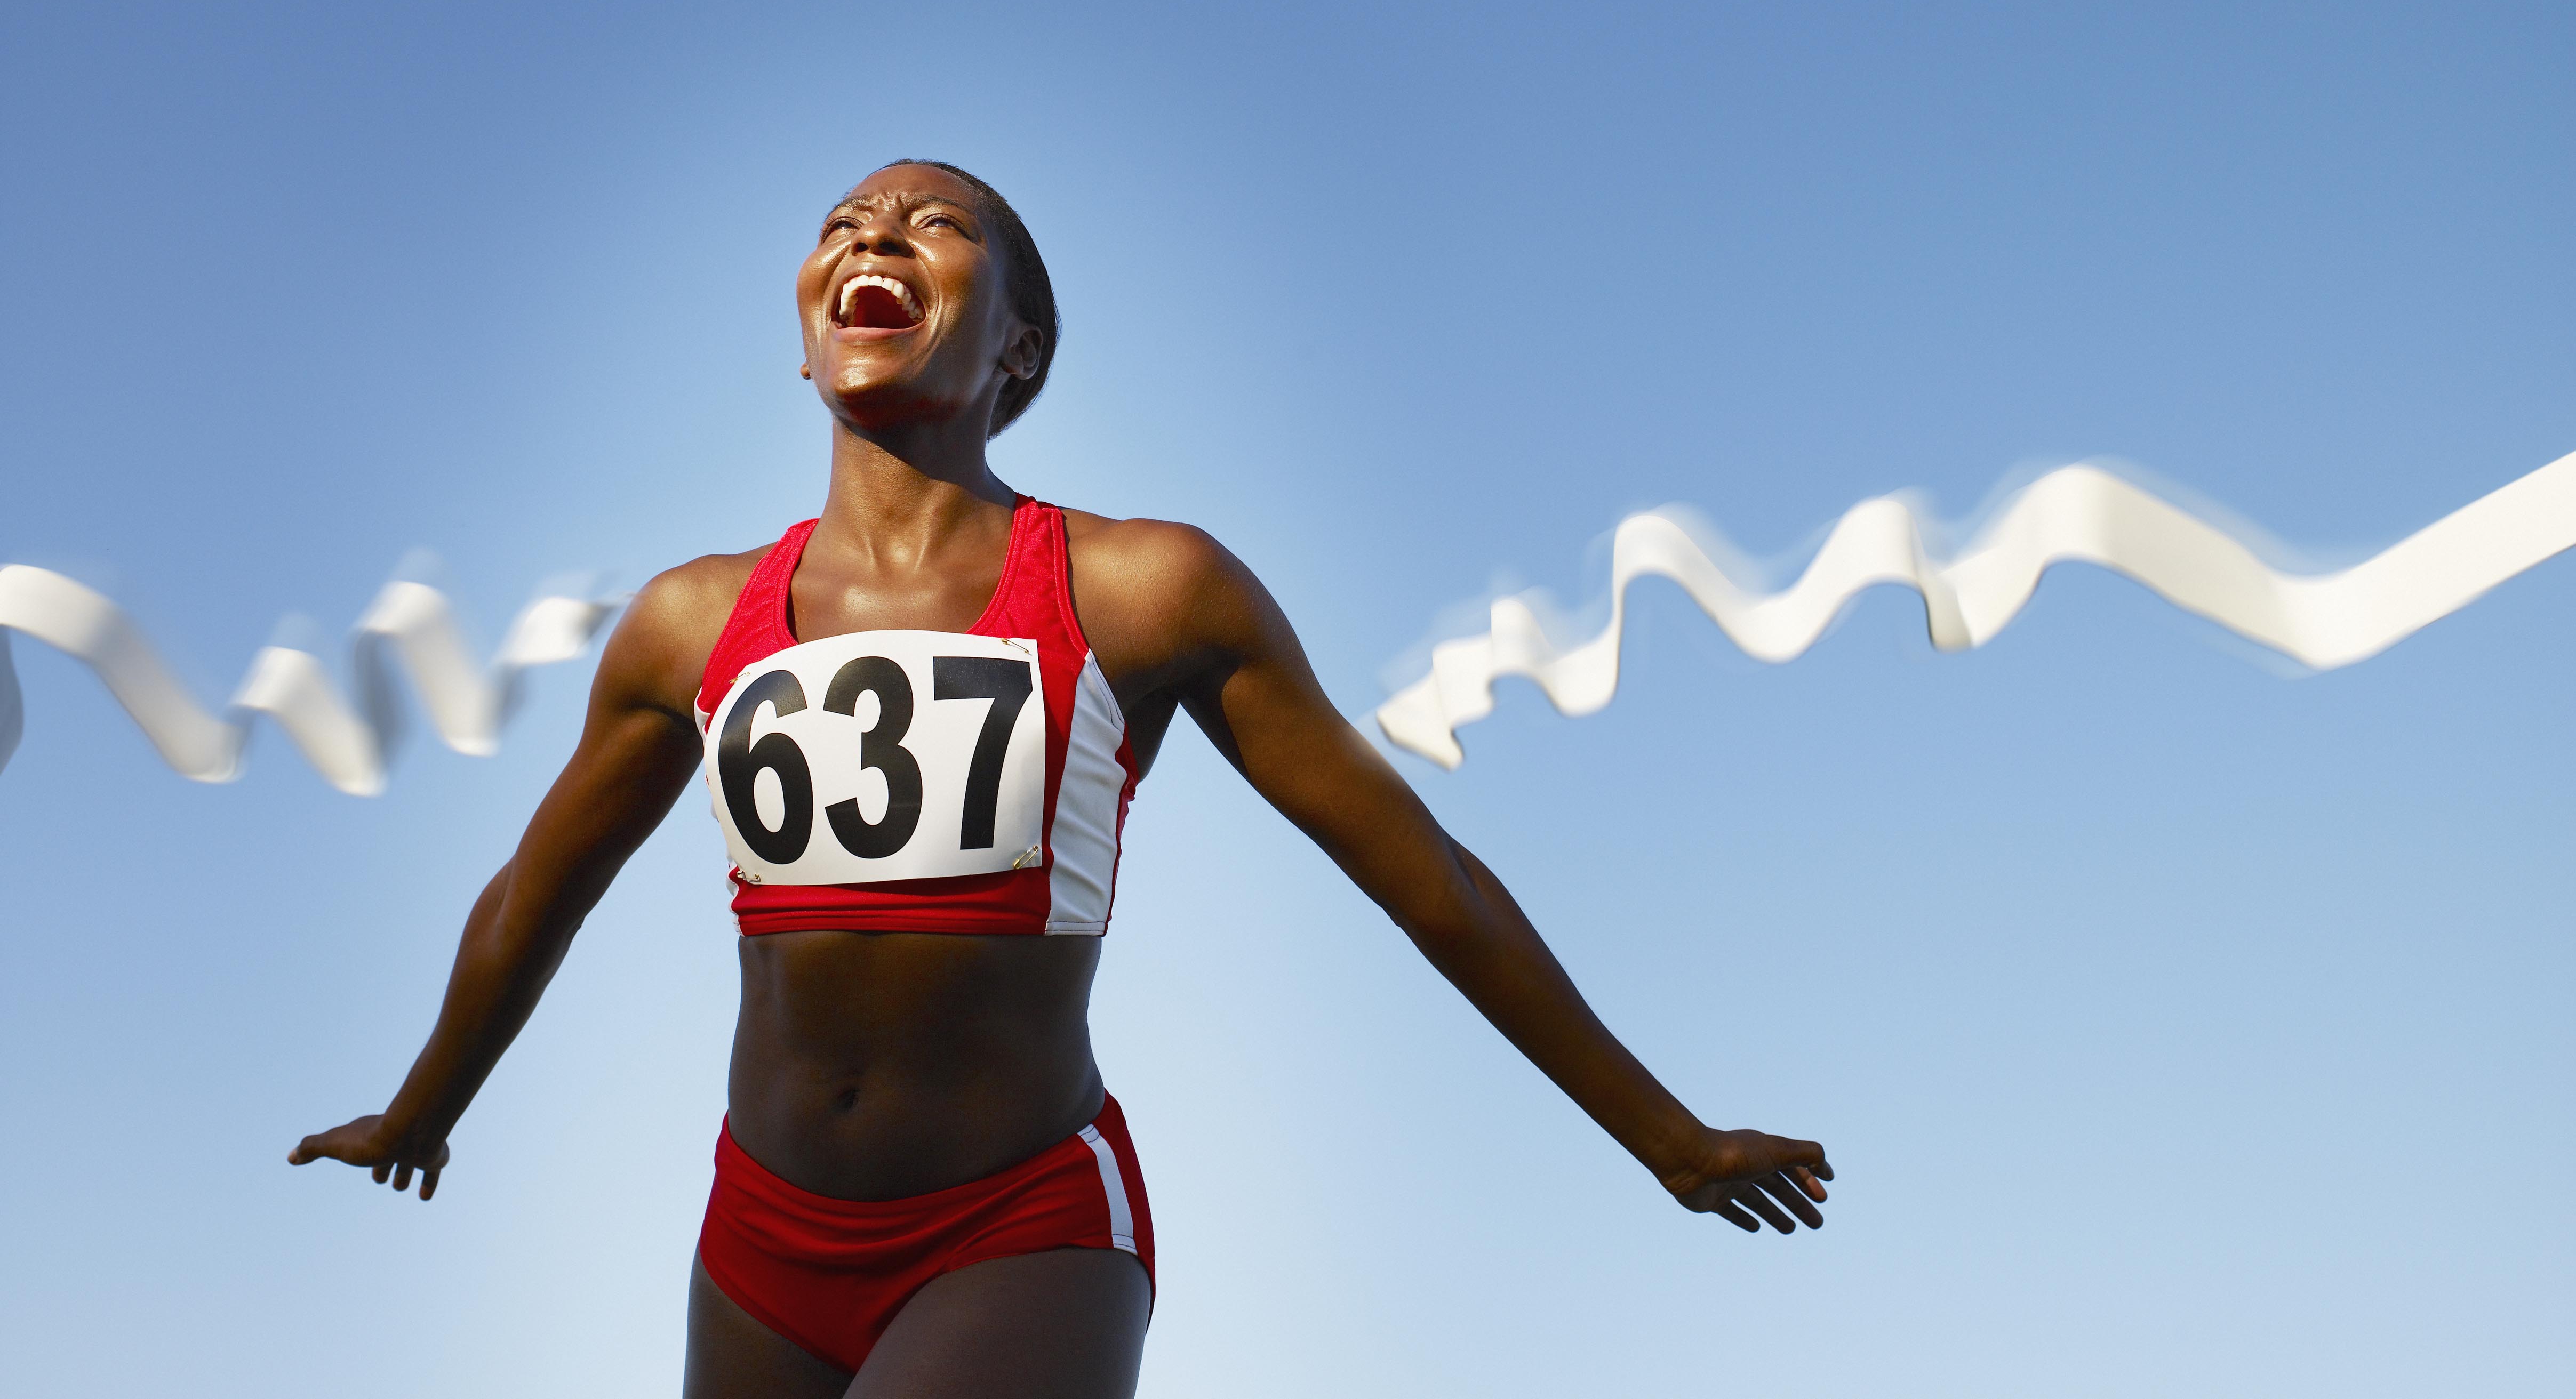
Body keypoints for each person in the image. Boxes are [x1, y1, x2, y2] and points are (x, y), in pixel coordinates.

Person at [291, 160, 1833, 1398]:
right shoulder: (691, 619)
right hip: (758, 1230)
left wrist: (1668, 1135)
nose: (875, 231)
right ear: (812, 320)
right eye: (844, 223)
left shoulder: (1149, 590)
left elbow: (1424, 879)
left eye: (933, 222)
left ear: (1015, 349)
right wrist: (423, 1110)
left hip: (1018, 1226)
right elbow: (534, 890)